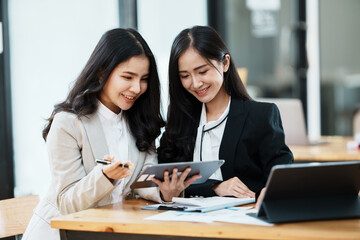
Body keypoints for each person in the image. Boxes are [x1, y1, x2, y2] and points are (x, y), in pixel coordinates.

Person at [22, 28, 165, 240]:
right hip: (61, 233)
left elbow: (143, 182)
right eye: (127, 77)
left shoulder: (138, 121)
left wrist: (167, 190)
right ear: (101, 72)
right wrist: (105, 176)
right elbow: (67, 203)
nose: (136, 88)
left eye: (144, 79)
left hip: (108, 232)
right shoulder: (68, 123)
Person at [154, 25, 293, 202]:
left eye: (202, 71)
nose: (195, 83)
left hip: (242, 220)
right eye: (185, 76)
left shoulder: (260, 115)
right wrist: (215, 187)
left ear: (225, 63)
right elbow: (164, 176)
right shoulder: (181, 119)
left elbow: (281, 173)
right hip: (188, 222)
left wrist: (272, 191)